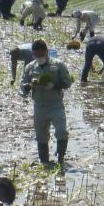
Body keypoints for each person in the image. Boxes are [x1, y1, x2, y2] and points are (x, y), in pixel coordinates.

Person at [19, 39, 73, 167]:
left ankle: (61, 157)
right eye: (36, 55)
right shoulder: (30, 67)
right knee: (41, 134)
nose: (38, 57)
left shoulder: (58, 65)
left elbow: (68, 82)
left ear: (46, 52)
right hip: (39, 105)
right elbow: (22, 84)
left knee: (61, 131)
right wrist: (28, 86)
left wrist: (54, 85)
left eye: (41, 55)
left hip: (56, 104)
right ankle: (44, 161)